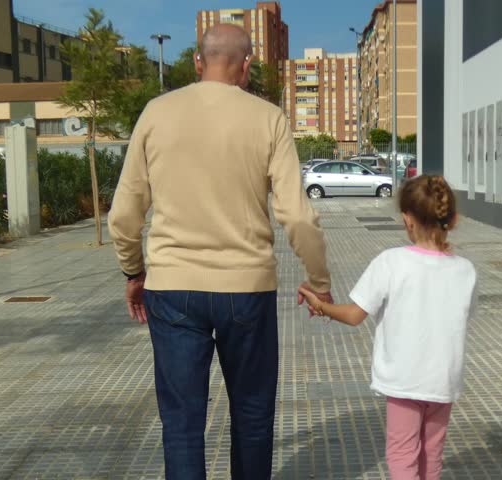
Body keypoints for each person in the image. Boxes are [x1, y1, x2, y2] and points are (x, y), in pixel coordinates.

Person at [108, 24, 333, 480]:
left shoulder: (157, 112)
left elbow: (124, 213)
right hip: (246, 291)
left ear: (196, 61)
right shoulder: (268, 118)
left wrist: (134, 272)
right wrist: (320, 280)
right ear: (247, 65)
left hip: (171, 291)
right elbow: (298, 215)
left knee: (183, 423)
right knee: (252, 417)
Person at [299, 175, 478, 480]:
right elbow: (462, 315)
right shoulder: (466, 271)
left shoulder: (391, 262)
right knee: (431, 457)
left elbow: (355, 315)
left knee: (402, 456)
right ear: (454, 219)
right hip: (443, 381)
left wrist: (322, 305)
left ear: (407, 220)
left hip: (404, 381)